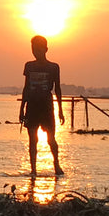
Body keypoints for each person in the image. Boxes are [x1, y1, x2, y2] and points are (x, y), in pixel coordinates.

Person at [19, 35, 64, 176]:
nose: (35, 51)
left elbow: (57, 89)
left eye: (38, 48)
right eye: (33, 48)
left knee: (51, 139)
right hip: (32, 107)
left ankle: (56, 164)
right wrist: (21, 109)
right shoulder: (29, 66)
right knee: (33, 140)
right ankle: (33, 170)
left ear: (45, 49)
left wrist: (60, 111)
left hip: (47, 106)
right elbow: (26, 88)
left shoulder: (53, 67)